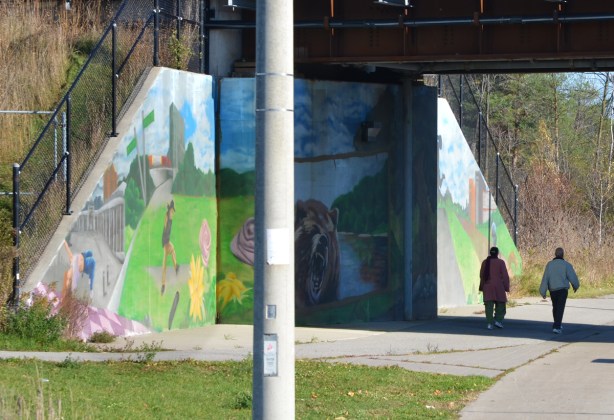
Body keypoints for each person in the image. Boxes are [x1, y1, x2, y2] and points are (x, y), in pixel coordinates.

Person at [539, 247, 580, 334]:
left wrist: (543, 291)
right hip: (562, 290)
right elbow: (572, 277)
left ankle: (557, 324)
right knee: (560, 308)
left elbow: (545, 278)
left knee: (555, 307)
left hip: (553, 290)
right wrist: (575, 286)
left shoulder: (549, 265)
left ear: (555, 254)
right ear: (562, 254)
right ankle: (557, 326)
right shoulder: (566, 265)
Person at [479, 246, 510, 330]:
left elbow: (481, 275)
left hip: (487, 287)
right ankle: (498, 320)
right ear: (497, 253)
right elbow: (505, 276)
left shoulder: (485, 262)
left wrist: (481, 287)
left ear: (490, 253)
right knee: (501, 304)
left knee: (488, 306)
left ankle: (490, 323)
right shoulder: (500, 262)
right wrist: (507, 287)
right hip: (498, 286)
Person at [161, 199, 178, 295]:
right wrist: (167, 211)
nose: (173, 213)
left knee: (173, 251)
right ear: (169, 211)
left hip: (167, 241)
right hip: (165, 242)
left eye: (173, 211)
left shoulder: (171, 219)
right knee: (164, 264)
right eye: (172, 211)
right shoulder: (167, 218)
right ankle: (163, 285)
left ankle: (176, 267)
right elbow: (165, 222)